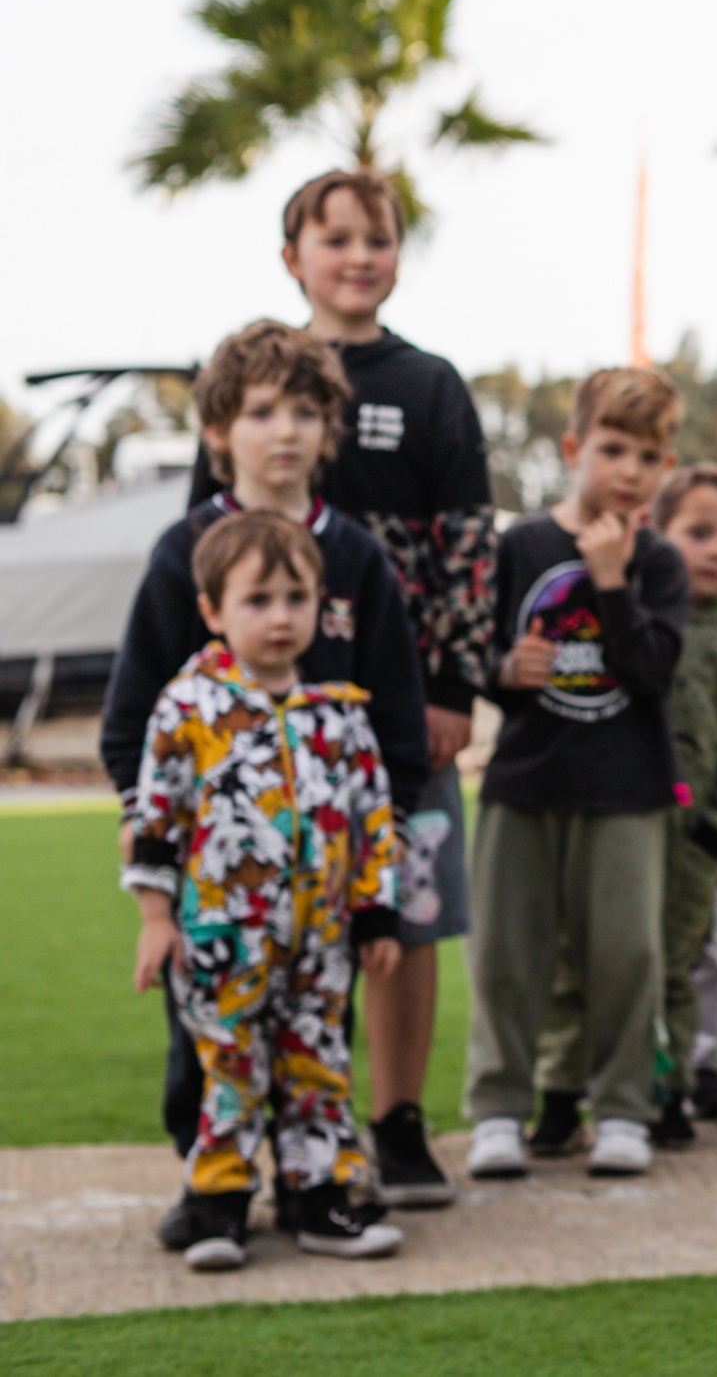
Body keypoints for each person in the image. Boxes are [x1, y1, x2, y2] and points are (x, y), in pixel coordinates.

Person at [186, 168, 498, 1209]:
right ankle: (273, 1129)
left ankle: (399, 1121)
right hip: (261, 709)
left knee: (407, 911)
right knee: (269, 919)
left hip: (398, 708)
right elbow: (201, 543)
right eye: (337, 239)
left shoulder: (431, 385)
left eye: (379, 238)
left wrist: (451, 686)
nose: (359, 257)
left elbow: (467, 546)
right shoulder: (253, 372)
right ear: (293, 258)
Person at [101, 321, 430, 1249]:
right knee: (212, 1046)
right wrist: (146, 843)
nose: (284, 431)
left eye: (304, 412)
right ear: (218, 430)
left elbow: (392, 730)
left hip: (321, 899)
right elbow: (137, 722)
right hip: (216, 898)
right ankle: (214, 1189)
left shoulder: (356, 558)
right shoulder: (183, 555)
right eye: (259, 412)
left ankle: (316, 1191)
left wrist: (376, 882)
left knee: (317, 1040)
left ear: (330, 429)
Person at [123, 511, 405, 1269]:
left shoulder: (339, 714)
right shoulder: (188, 706)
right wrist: (156, 916)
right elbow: (157, 817)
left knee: (319, 1060)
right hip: (222, 937)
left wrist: (376, 914)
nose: (280, 617)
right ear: (212, 610)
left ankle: (320, 1194)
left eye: (296, 597)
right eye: (257, 599)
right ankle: (217, 1200)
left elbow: (372, 817)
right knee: (229, 1064)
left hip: (321, 939)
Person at [465, 367, 688, 1181]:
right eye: (612, 449)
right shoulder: (520, 544)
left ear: (667, 466)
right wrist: (503, 670)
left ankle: (622, 1110)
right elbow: (478, 653)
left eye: (649, 456)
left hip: (626, 789)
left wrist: (611, 579)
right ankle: (497, 1110)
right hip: (523, 783)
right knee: (505, 957)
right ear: (572, 448)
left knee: (625, 956)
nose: (630, 470)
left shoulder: (658, 561)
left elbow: (652, 672)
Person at [532, 464, 717, 1150]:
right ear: (656, 533)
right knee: (576, 961)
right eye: (698, 533)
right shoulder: (619, 626)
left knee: (668, 969)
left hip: (689, 848)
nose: (715, 551)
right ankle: (560, 1094)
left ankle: (665, 1093)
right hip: (607, 822)